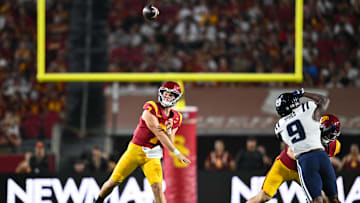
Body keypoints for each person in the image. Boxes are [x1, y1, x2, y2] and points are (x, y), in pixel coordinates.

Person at [95, 81, 190, 203]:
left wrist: (170, 127)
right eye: (165, 94)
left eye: (170, 95)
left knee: (157, 187)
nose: (166, 97)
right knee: (113, 182)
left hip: (152, 155)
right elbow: (159, 133)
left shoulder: (176, 117)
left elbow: (170, 140)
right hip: (135, 151)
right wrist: (177, 153)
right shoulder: (151, 108)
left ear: (176, 98)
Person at [246, 114, 341, 203]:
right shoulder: (307, 134)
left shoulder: (334, 146)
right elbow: (291, 152)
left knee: (324, 198)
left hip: (303, 171)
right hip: (284, 166)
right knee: (263, 197)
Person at [273, 88, 340, 203]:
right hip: (321, 155)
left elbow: (287, 144)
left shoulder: (279, 126)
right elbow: (324, 100)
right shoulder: (306, 109)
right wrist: (303, 93)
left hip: (305, 160)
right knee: (334, 199)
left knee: (316, 200)